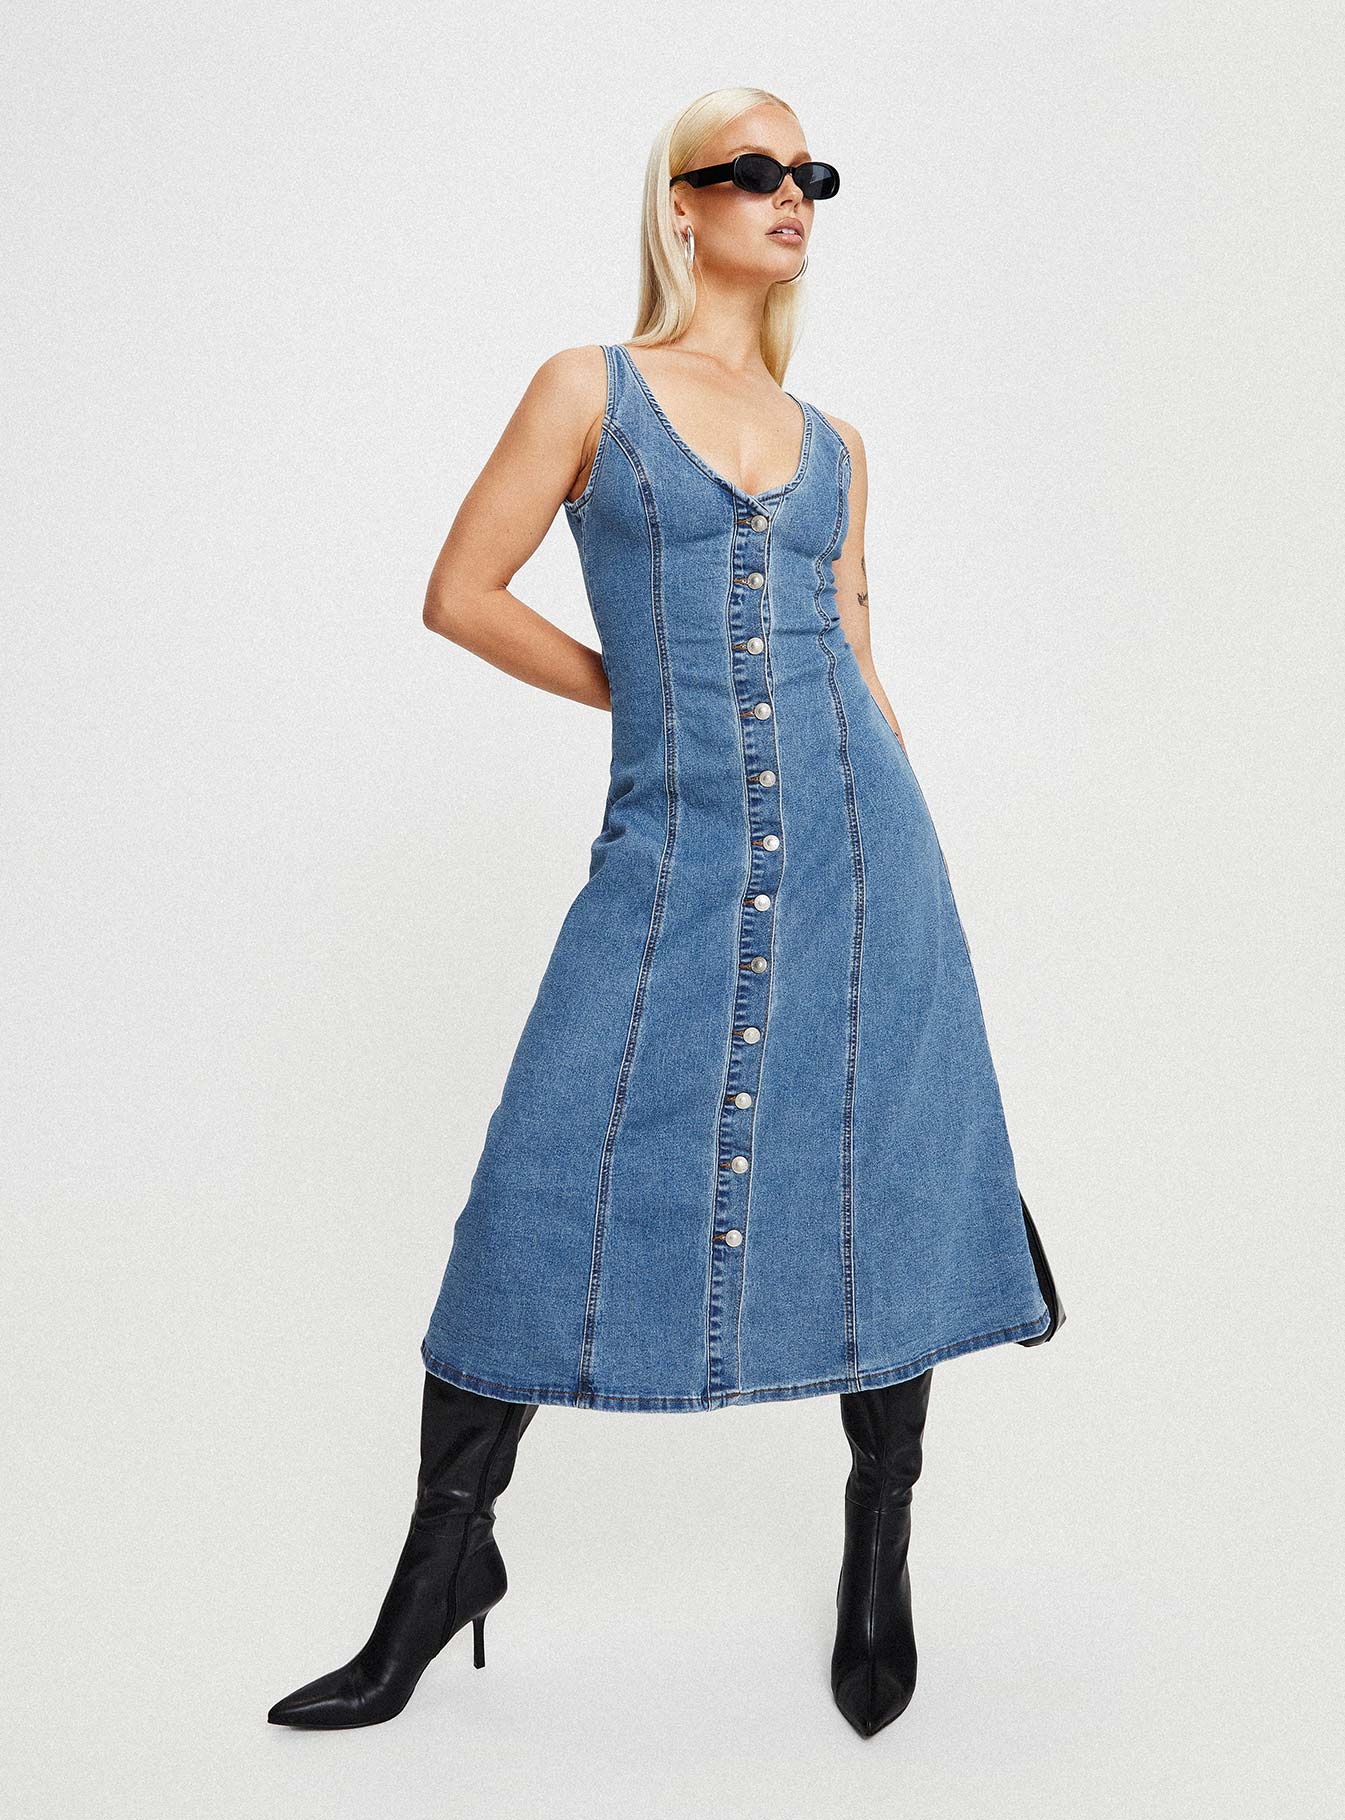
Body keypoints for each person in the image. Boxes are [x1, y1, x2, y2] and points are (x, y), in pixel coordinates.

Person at [267, 84, 1064, 1742]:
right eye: (753, 169)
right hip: (670, 847)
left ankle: (877, 1549)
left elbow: (857, 661)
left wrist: (919, 884)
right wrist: (644, 696)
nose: (790, 193)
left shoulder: (840, 447)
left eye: (810, 173)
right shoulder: (591, 387)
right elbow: (459, 594)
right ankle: (441, 1569)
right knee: (539, 1179)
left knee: (871, 1177)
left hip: (864, 852)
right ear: (679, 204)